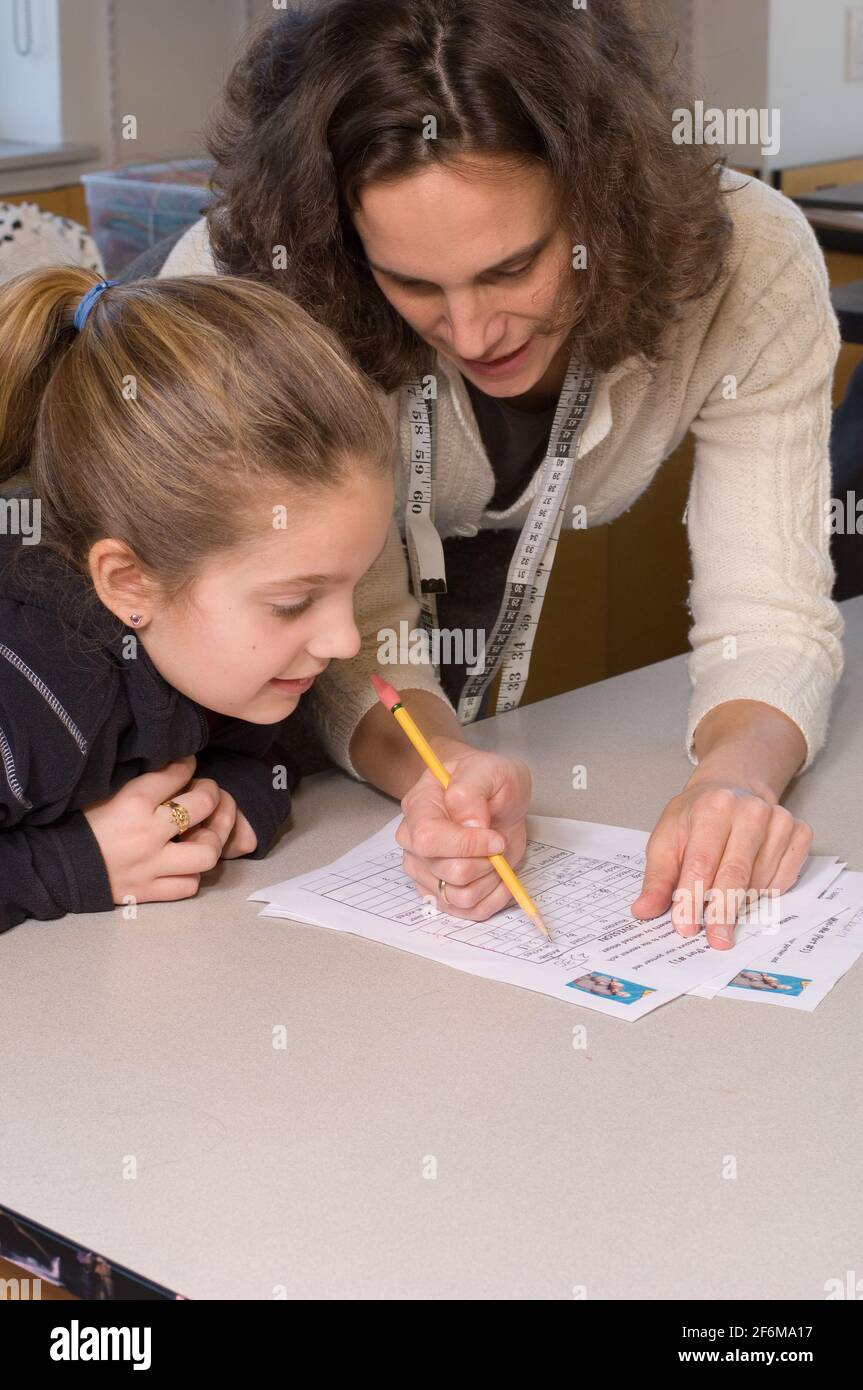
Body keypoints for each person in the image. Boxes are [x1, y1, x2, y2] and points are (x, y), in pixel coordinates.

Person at [161, 0, 844, 950]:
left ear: (609, 203)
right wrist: (434, 763)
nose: (475, 334)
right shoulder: (263, 285)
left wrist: (735, 775)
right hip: (242, 691)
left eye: (513, 268)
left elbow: (768, 610)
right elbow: (340, 620)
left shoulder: (751, 261)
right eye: (410, 283)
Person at [0, 267, 394, 931]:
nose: (345, 642)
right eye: (294, 603)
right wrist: (71, 865)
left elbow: (254, 754)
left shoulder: (211, 656)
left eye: (351, 585)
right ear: (129, 584)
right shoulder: (31, 695)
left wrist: (228, 800)